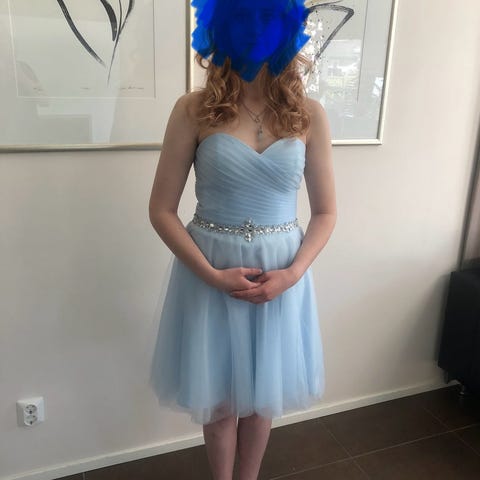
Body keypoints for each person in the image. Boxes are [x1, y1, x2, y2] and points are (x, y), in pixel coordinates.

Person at [148, 1, 336, 479]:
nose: (256, 32)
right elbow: (161, 210)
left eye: (268, 21)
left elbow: (326, 212)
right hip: (210, 270)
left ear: (287, 31)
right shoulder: (193, 110)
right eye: (244, 20)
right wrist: (212, 276)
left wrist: (293, 274)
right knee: (220, 403)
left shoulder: (309, 115)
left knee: (262, 399)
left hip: (282, 275)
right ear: (222, 28)